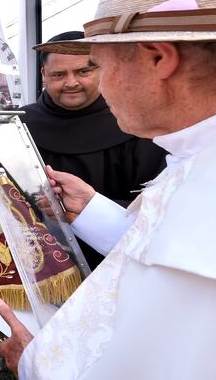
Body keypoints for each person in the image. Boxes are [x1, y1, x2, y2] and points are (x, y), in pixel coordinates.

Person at [0, 0, 216, 379]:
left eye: (98, 63)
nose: (94, 85)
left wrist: (34, 362)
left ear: (158, 58)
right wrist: (93, 210)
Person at [21, 30, 167, 268]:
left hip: (119, 261)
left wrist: (92, 209)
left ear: (101, 69)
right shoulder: (18, 125)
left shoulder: (137, 123)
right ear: (43, 75)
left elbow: (156, 205)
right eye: (58, 74)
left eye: (83, 71)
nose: (71, 82)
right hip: (39, 263)